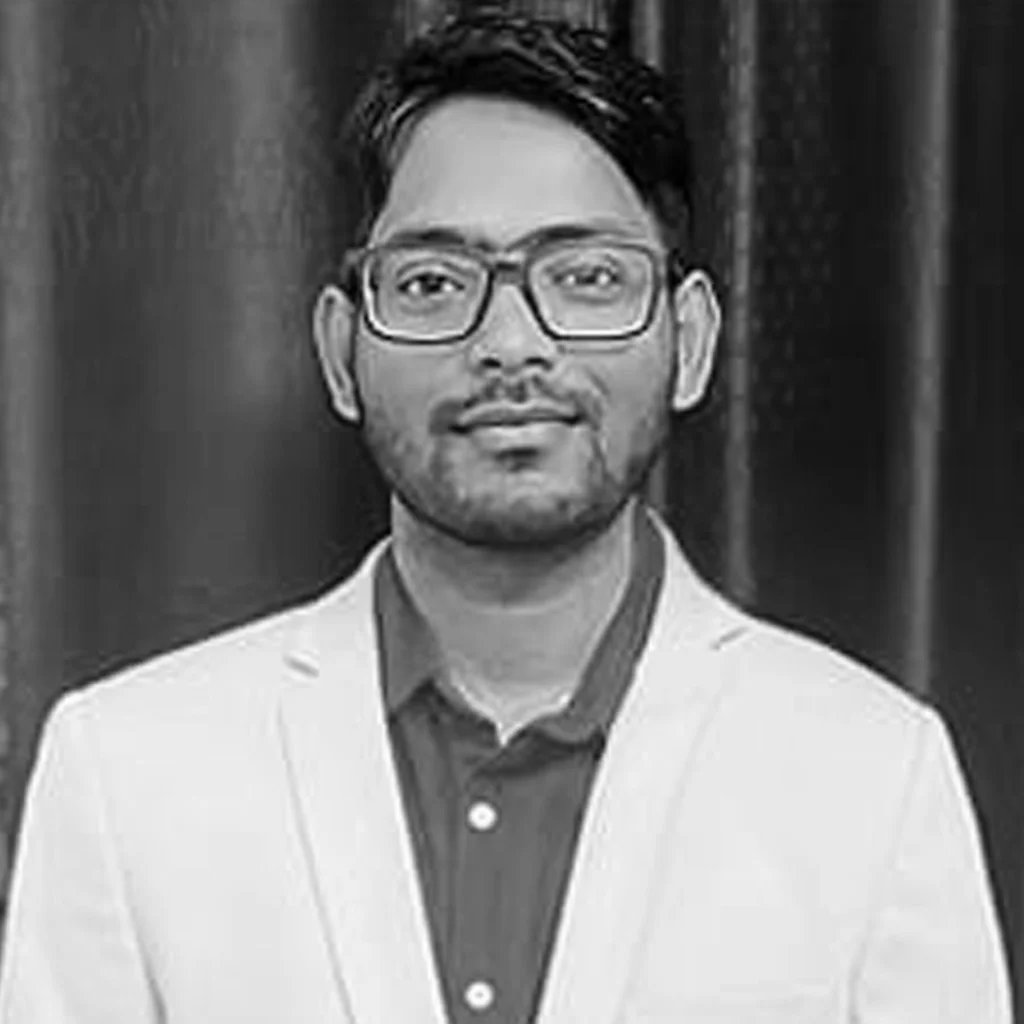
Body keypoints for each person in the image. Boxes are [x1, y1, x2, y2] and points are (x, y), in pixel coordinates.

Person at [0, 12, 1011, 1024]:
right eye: (434, 283)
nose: (512, 346)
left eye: (588, 278)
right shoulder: (127, 772)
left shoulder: (872, 774)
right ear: (341, 351)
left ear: (691, 339)